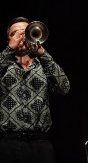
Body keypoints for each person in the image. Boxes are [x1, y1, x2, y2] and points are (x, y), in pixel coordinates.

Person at [0, 16, 70, 163]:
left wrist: (43, 54)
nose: (20, 37)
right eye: (15, 34)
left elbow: (64, 88)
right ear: (8, 40)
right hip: (7, 144)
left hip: (40, 144)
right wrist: (9, 50)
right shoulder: (3, 64)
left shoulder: (43, 64)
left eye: (25, 32)